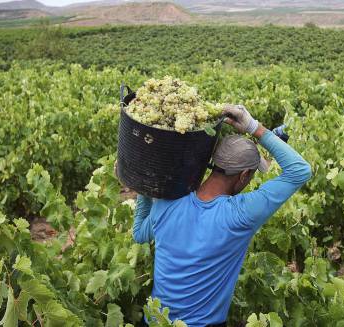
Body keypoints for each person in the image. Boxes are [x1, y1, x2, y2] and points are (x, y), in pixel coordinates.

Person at [132, 104, 312, 326]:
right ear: (244, 175)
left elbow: (139, 233)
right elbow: (300, 171)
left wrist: (144, 189)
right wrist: (253, 127)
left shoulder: (169, 201)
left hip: (154, 322)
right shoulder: (239, 215)